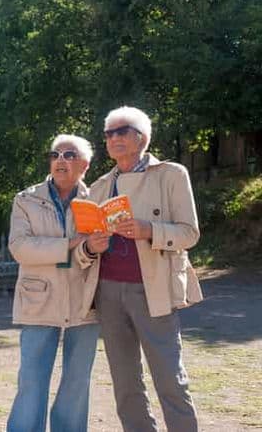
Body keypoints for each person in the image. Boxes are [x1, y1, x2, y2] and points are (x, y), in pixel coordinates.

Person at [75, 106, 202, 432]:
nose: (113, 138)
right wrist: (93, 245)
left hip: (154, 289)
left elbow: (189, 233)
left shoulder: (172, 174)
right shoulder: (100, 186)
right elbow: (81, 246)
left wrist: (149, 230)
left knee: (169, 379)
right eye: (108, 133)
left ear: (142, 137)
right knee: (125, 384)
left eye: (121, 131)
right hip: (107, 292)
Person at [7, 134, 100, 432]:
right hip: (38, 299)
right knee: (32, 378)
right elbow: (20, 248)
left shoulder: (97, 202)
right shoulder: (25, 200)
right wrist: (70, 244)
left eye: (69, 155)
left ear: (84, 165)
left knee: (77, 381)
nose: (60, 160)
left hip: (85, 299)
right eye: (55, 154)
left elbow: (96, 251)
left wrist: (86, 250)